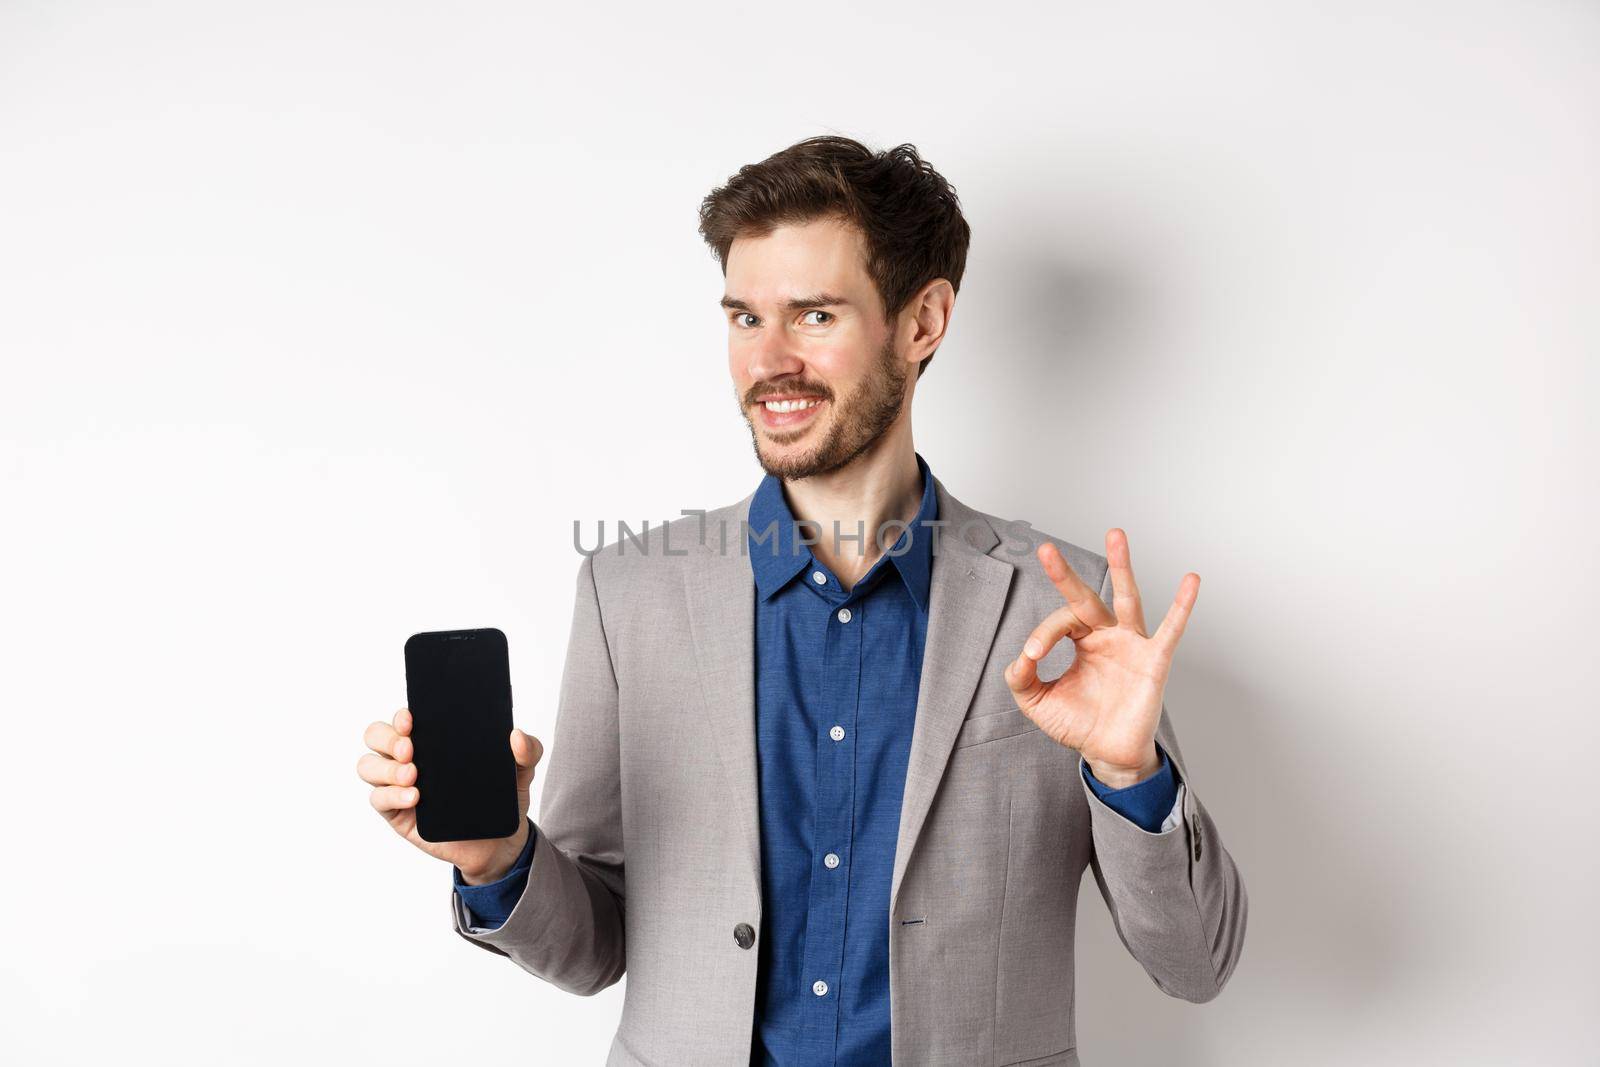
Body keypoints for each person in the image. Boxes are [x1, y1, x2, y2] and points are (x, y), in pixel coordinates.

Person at [357, 135, 1247, 1066]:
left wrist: (1129, 774)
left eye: (813, 315)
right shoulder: (631, 595)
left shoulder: (1066, 605)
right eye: (744, 318)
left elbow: (1197, 962)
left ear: (924, 321)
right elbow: (593, 951)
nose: (767, 361)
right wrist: (496, 857)